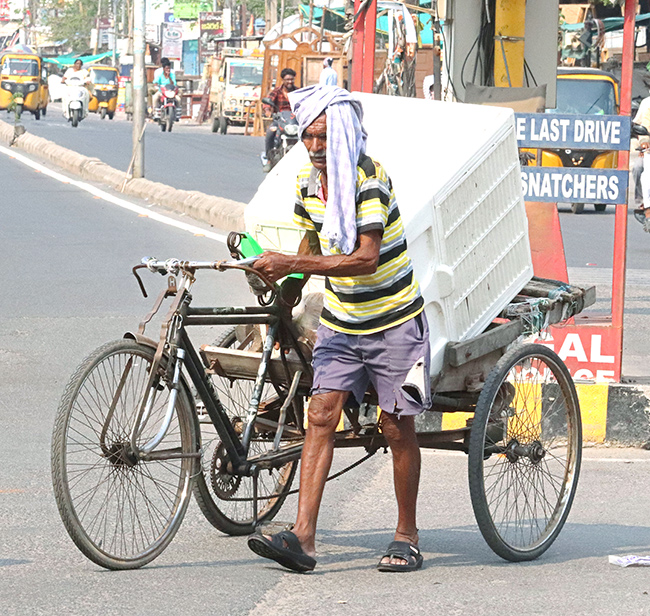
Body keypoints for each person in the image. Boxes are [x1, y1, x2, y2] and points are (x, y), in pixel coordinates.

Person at [247, 85, 431, 574]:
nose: (315, 146)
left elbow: (365, 258)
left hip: (394, 323)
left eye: (324, 136)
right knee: (321, 415)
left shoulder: (369, 178)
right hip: (342, 323)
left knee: (395, 426)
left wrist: (292, 260)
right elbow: (313, 239)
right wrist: (286, 286)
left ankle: (406, 535)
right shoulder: (310, 184)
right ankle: (303, 537)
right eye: (308, 136)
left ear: (345, 134)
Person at [263, 68, 297, 168]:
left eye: (292, 79)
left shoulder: (298, 92)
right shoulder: (277, 91)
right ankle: (269, 159)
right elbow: (268, 102)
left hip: (294, 122)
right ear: (283, 80)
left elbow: (305, 103)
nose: (290, 81)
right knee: (270, 132)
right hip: (279, 121)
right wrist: (268, 110)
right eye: (287, 79)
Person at [632, 95, 650, 231]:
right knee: (638, 168)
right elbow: (640, 126)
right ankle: (643, 203)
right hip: (649, 150)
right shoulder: (647, 103)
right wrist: (643, 143)